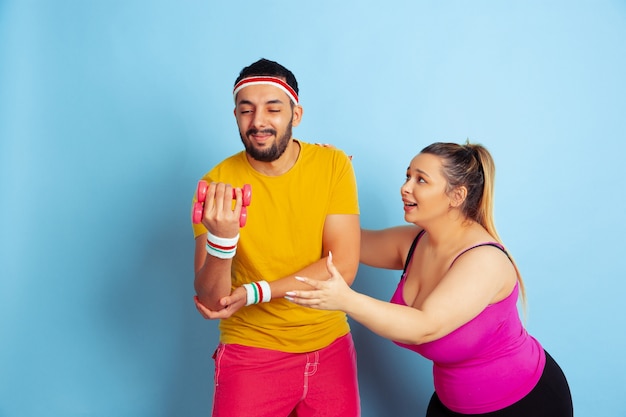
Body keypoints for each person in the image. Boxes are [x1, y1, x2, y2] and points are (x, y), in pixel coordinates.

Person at [286, 142, 574, 416]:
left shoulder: (484, 261)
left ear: (456, 196)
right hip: (452, 405)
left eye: (421, 180)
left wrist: (346, 300)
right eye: (407, 176)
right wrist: (332, 183)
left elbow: (424, 326)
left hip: (524, 405)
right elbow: (345, 242)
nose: (405, 188)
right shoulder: (414, 242)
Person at [191, 58, 361, 417]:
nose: (258, 122)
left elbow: (342, 267)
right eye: (246, 110)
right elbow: (212, 301)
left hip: (330, 347)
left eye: (273, 108)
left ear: (295, 114)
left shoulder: (333, 166)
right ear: (235, 115)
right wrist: (223, 241)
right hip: (252, 355)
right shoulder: (216, 185)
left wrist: (257, 291)